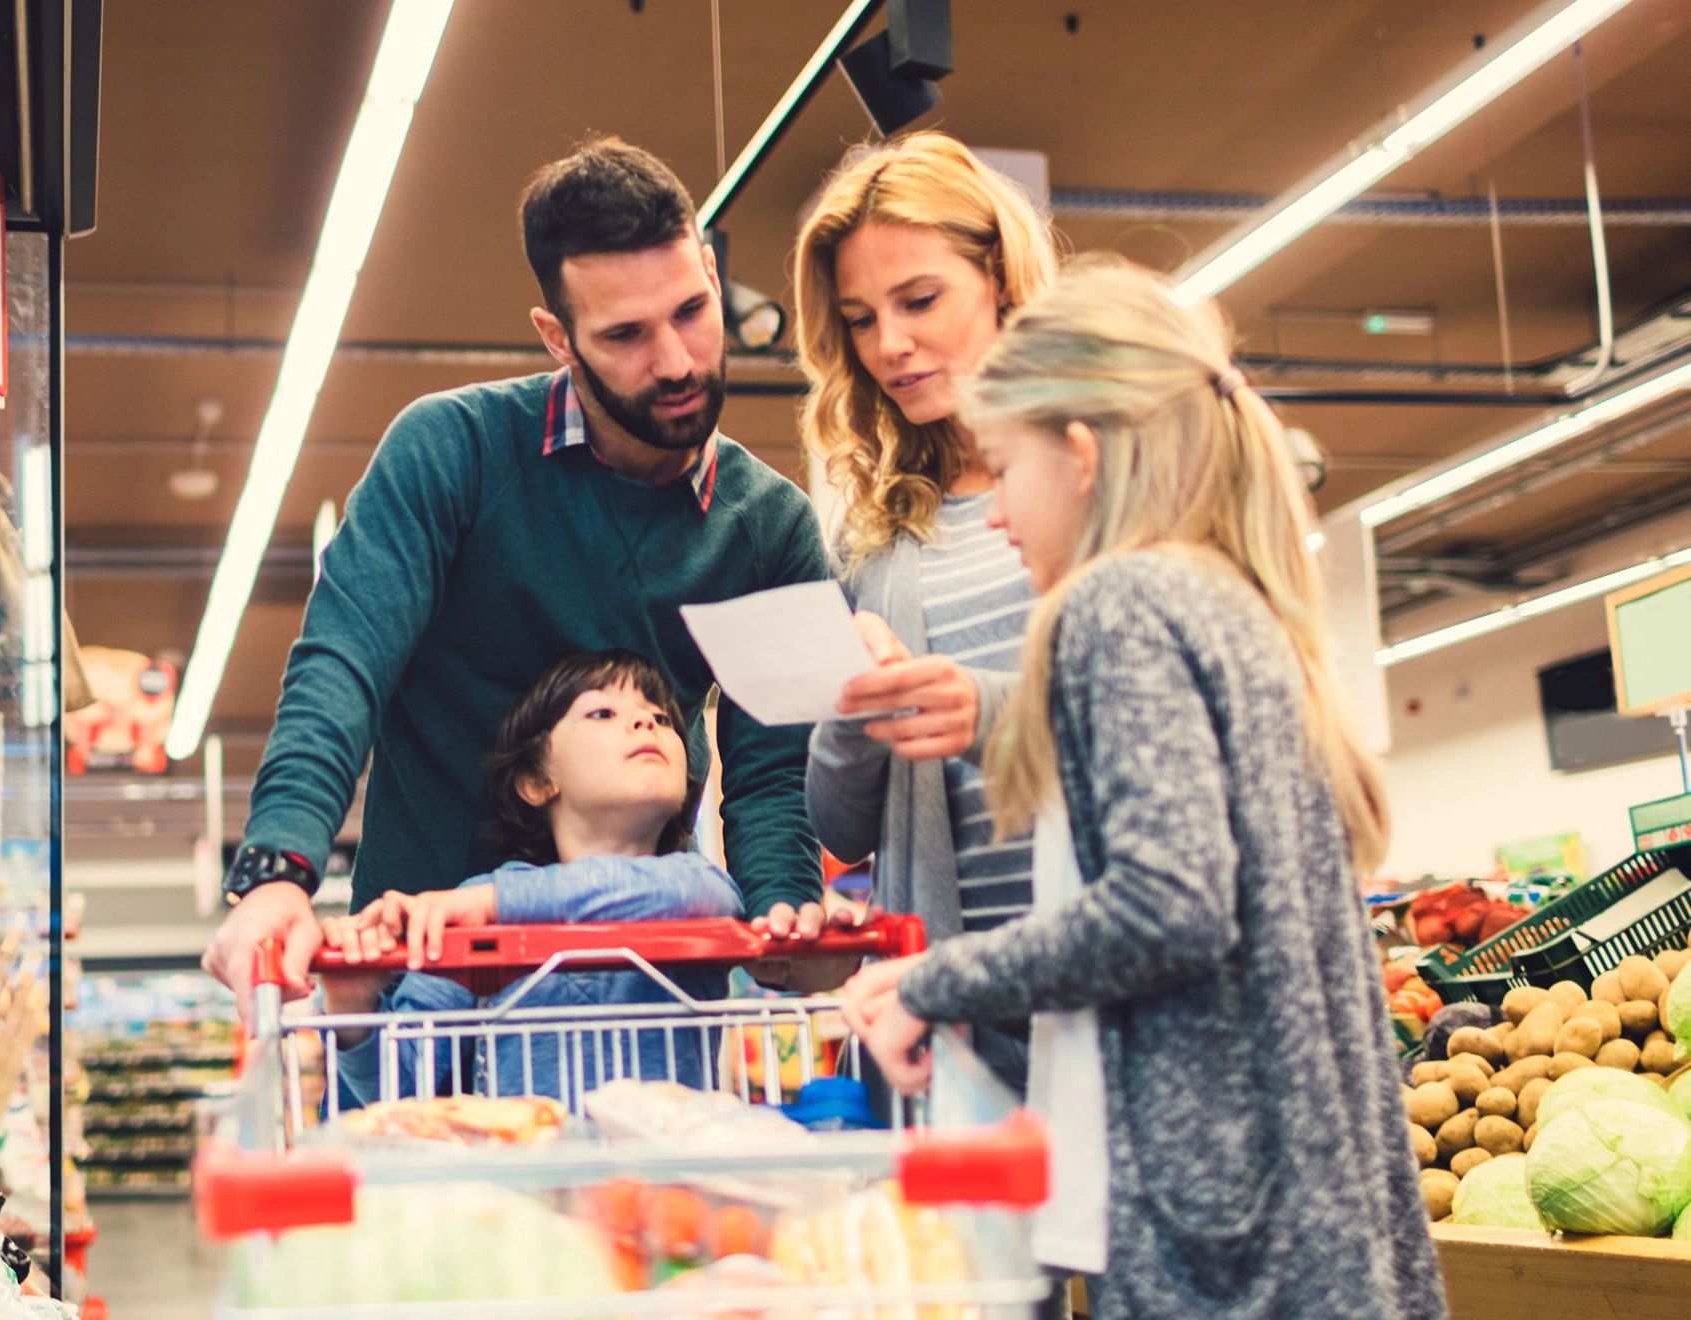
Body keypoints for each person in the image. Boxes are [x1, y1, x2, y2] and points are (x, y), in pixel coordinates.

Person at [840, 259, 1447, 1320]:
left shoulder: (1115, 603)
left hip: (1215, 1234)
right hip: (1316, 1216)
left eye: (1004, 468)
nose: (997, 516)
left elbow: (1169, 906)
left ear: (1079, 458)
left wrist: (935, 981)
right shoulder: (1231, 599)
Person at [202, 138, 831, 1016]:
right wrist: (279, 869)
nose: (679, 361)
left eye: (692, 311)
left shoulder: (772, 530)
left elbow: (771, 776)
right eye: (625, 335)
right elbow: (344, 663)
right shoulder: (452, 452)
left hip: (641, 984)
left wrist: (781, 920)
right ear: (558, 339)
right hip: (424, 980)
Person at [792, 133, 1057, 1088]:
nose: (890, 346)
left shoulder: (1105, 484)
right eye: (861, 318)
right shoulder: (877, 538)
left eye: (920, 300)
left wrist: (978, 705)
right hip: (952, 1023)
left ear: (1000, 276)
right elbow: (841, 825)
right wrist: (854, 709)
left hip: (1116, 989)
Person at [320, 650, 741, 1103]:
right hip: (530, 1168)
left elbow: (709, 899)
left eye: (661, 718)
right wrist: (352, 1007)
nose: (646, 724)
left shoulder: (693, 882)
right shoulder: (479, 906)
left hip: (670, 1172)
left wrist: (494, 902)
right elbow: (402, 1087)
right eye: (603, 712)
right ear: (537, 782)